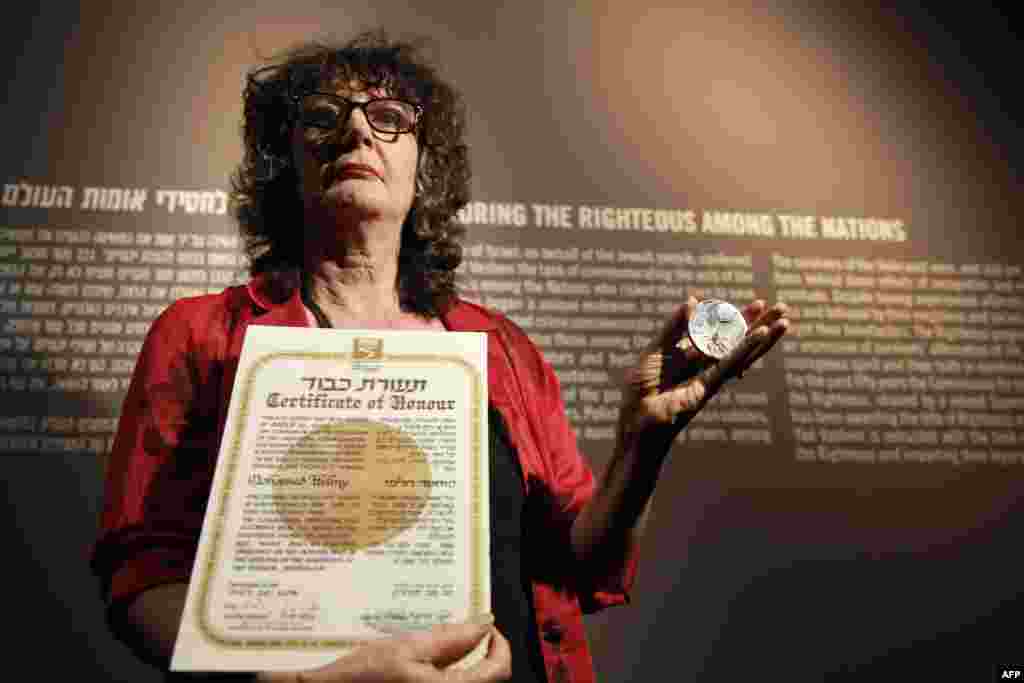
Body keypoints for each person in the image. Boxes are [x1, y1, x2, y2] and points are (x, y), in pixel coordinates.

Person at [91, 31, 789, 683]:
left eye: (390, 115)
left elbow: (581, 559)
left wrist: (643, 446)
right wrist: (302, 682)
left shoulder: (502, 348)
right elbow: (141, 574)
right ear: (286, 159)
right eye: (325, 114)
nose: (359, 129)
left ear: (424, 164)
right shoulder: (197, 333)